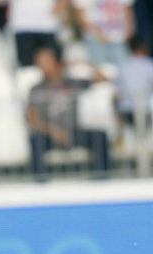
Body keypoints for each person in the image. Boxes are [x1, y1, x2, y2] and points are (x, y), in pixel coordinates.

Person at [26, 47, 110, 178]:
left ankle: (101, 178)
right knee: (36, 140)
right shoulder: (37, 89)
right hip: (50, 134)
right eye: (39, 62)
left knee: (99, 137)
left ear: (56, 62)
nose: (41, 65)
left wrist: (82, 63)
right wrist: (54, 132)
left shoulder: (72, 83)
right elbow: (31, 118)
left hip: (74, 132)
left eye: (45, 61)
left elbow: (103, 78)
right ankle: (39, 182)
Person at [115, 35, 153, 131]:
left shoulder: (122, 65)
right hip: (146, 108)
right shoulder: (151, 64)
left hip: (126, 108)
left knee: (130, 137)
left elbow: (117, 90)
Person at [73, 0, 133, 67]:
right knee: (100, 69)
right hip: (94, 40)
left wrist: (128, 33)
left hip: (118, 39)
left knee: (123, 69)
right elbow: (79, 16)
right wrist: (98, 35)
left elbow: (127, 9)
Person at [9, 0, 67, 68]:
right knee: (27, 66)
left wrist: (62, 4)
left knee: (53, 65)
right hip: (22, 26)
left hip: (49, 25)